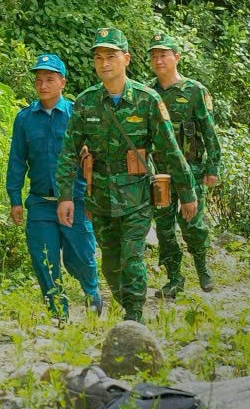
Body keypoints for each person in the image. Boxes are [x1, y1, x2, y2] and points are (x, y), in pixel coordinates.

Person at [55, 28, 197, 322]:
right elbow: (69, 152)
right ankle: (127, 305)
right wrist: (66, 196)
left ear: (126, 59)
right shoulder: (85, 102)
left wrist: (187, 193)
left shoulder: (147, 99)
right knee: (110, 263)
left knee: (132, 257)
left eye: (111, 56)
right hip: (100, 195)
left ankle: (135, 317)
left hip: (136, 195)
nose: (104, 63)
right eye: (99, 57)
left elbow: (171, 150)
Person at [5, 53, 103, 319]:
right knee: (43, 258)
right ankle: (58, 309)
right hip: (40, 202)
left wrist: (95, 198)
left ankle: (92, 292)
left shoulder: (76, 115)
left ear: (62, 83)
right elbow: (17, 160)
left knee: (80, 256)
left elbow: (94, 159)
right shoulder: (25, 119)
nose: (43, 85)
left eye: (49, 79)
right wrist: (15, 198)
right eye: (38, 80)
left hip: (76, 199)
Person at [146, 34, 220, 296]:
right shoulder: (148, 93)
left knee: (192, 223)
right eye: (154, 56)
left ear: (176, 57)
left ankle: (202, 268)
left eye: (163, 54)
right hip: (160, 173)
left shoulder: (195, 91)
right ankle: (174, 278)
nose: (158, 60)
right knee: (164, 227)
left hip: (191, 169)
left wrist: (213, 167)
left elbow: (208, 131)